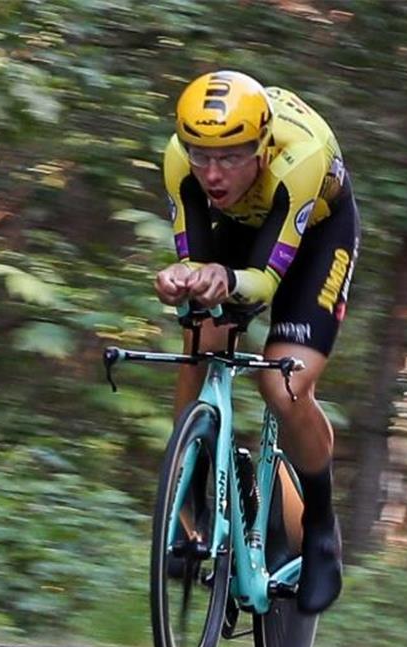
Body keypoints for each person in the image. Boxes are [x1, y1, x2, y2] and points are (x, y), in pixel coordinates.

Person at [153, 70, 359, 615]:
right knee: (200, 333)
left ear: (264, 147)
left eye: (232, 156)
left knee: (282, 385)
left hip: (315, 234)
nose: (213, 173)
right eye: (202, 155)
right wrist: (181, 279)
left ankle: (319, 529)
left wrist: (222, 275)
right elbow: (197, 263)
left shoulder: (301, 158)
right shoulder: (181, 162)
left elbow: (265, 283)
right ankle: (187, 501)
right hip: (243, 230)